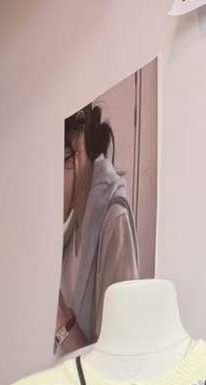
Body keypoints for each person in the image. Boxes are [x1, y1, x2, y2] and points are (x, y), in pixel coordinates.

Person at [55, 103, 139, 356]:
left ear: (76, 150)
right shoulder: (72, 230)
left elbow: (121, 360)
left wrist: (62, 322)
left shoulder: (114, 219)